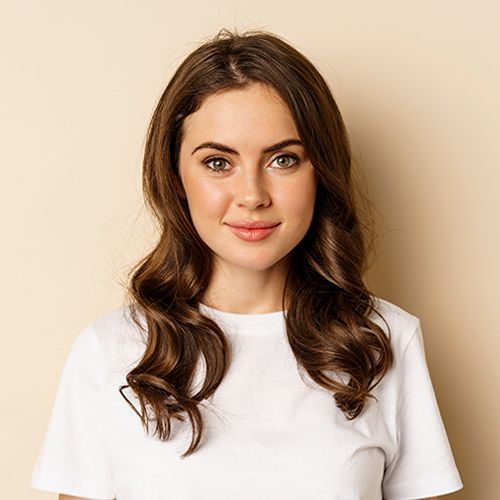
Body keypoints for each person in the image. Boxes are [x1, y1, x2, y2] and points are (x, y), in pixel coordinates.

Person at [31, 28, 463, 500]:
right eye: (218, 162)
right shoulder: (109, 351)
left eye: (283, 159)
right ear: (177, 178)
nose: (253, 195)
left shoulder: (385, 341)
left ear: (321, 171)